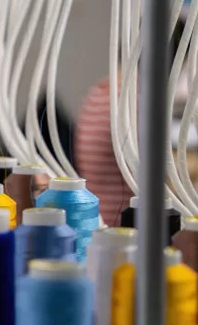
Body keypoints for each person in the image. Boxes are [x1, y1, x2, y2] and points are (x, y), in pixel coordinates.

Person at [76, 20, 185, 225]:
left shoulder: (99, 91)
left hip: (99, 219)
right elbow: (161, 179)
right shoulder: (136, 100)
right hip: (124, 224)